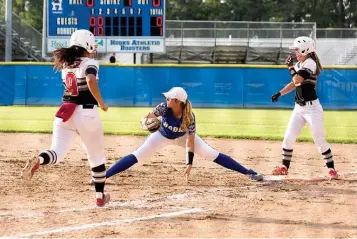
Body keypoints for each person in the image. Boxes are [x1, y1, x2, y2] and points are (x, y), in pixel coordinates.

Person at [21, 29, 111, 206]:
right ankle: (100, 197)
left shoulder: (66, 64)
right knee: (96, 157)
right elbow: (91, 79)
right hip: (87, 114)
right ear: (87, 45)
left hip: (66, 113)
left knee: (56, 152)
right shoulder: (90, 62)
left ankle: (39, 159)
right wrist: (101, 102)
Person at [105, 87, 263, 182]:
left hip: (182, 138)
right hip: (161, 136)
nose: (166, 98)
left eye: (169, 97)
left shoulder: (189, 117)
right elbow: (149, 117)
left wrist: (189, 164)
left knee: (211, 153)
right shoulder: (163, 108)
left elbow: (190, 142)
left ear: (176, 101)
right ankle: (104, 175)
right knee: (138, 155)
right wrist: (145, 120)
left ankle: (249, 172)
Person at [271, 36, 338, 179]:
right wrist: (279, 93)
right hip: (299, 108)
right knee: (288, 137)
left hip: (312, 109)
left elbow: (297, 79)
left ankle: (331, 169)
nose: (295, 52)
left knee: (319, 140)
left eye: (297, 50)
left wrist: (289, 67)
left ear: (305, 49)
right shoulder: (299, 65)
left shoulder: (310, 63)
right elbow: (293, 84)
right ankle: (284, 167)